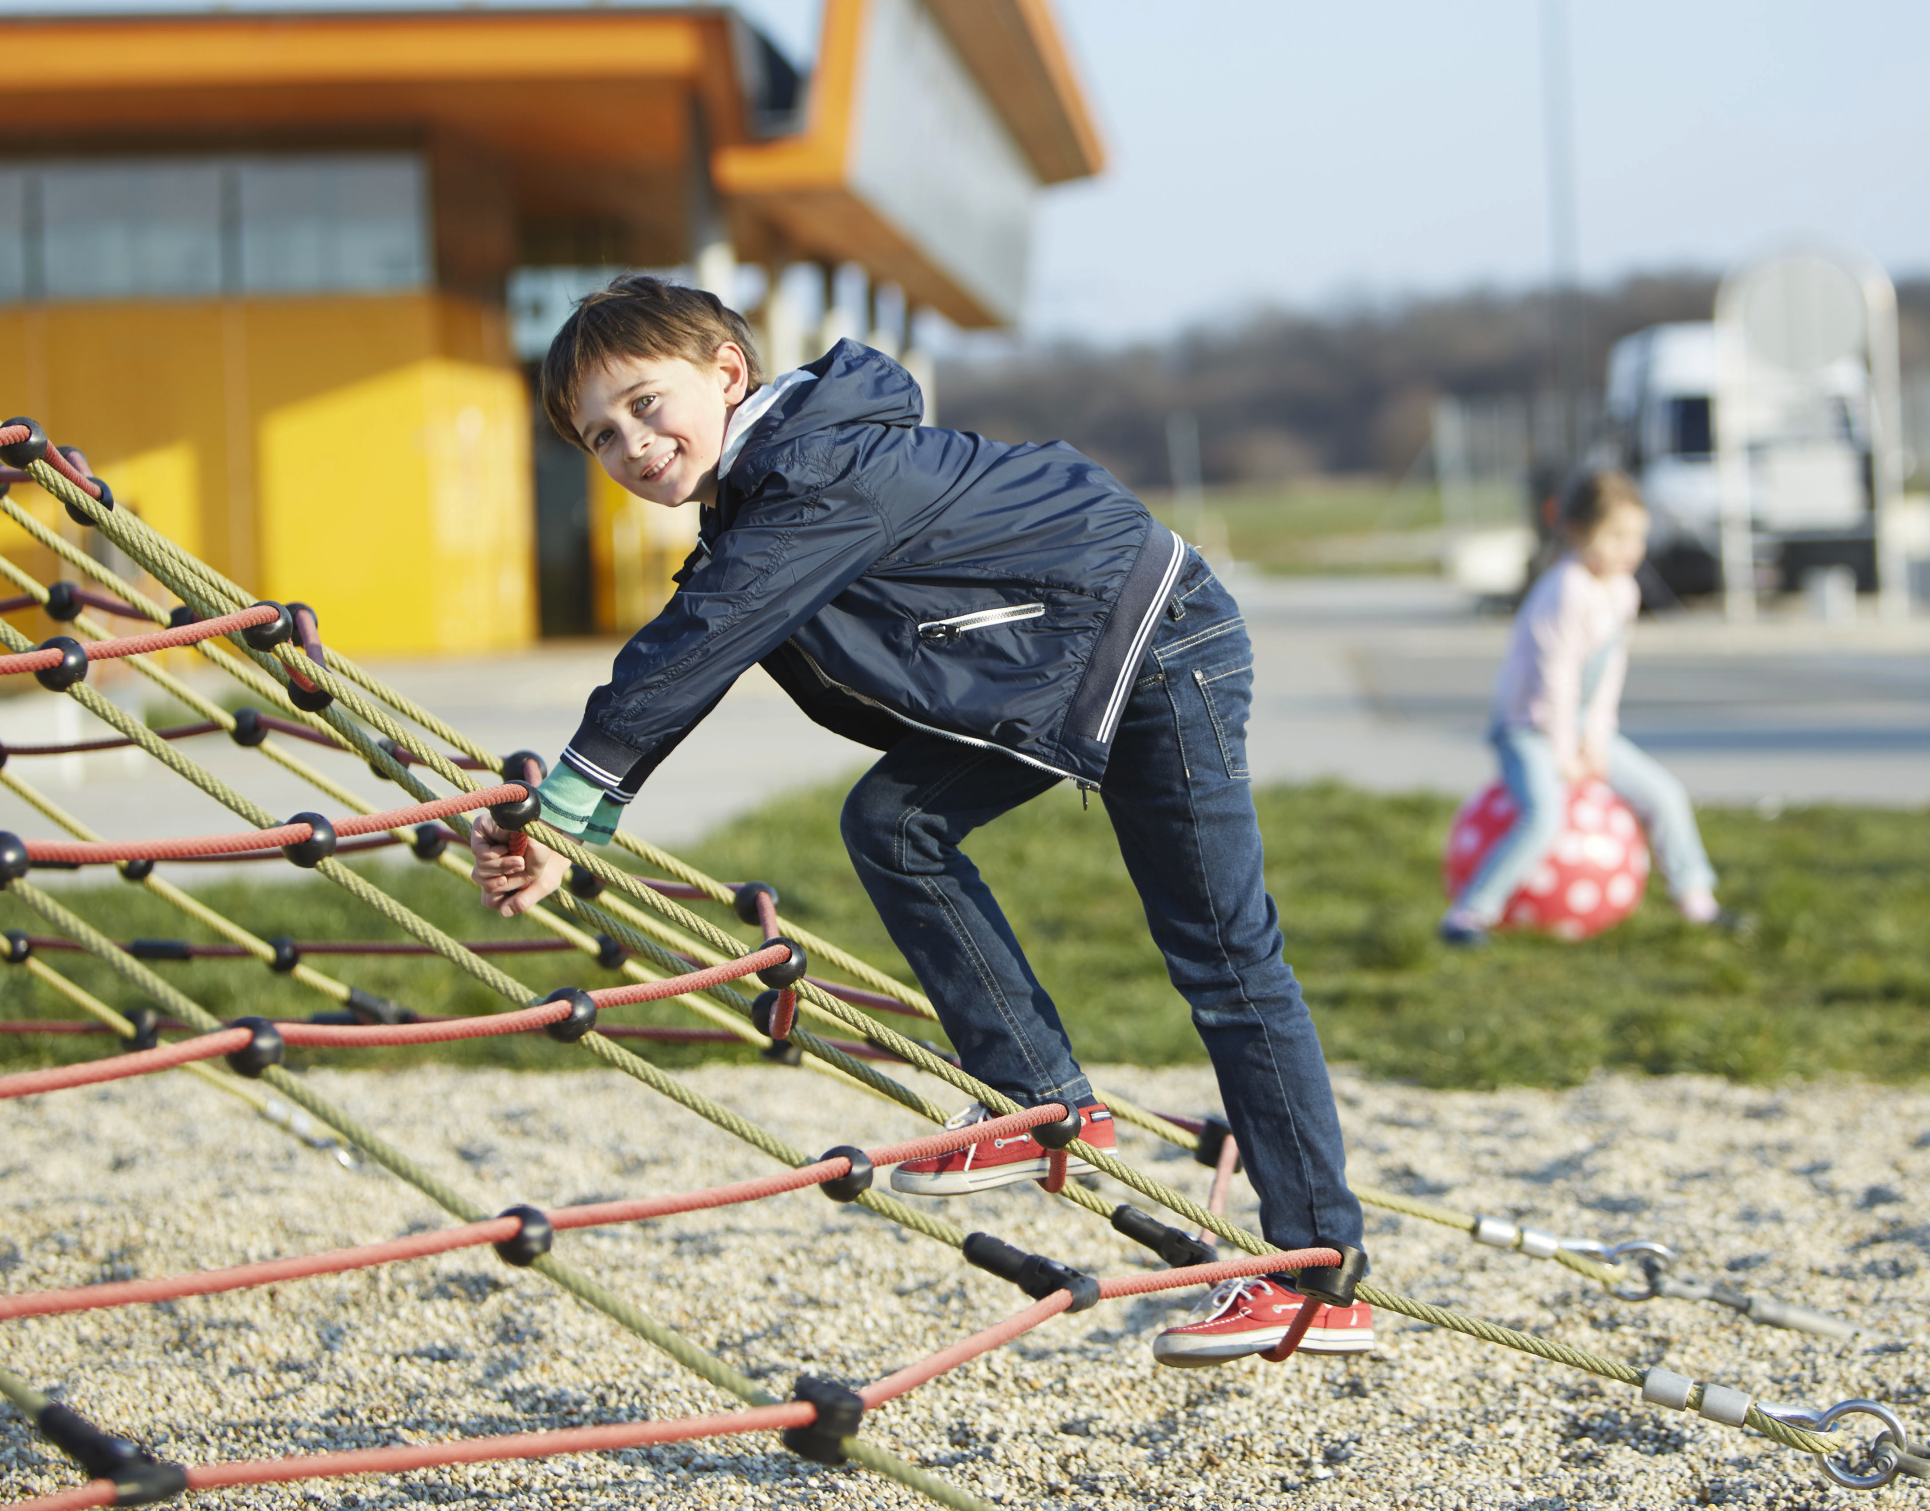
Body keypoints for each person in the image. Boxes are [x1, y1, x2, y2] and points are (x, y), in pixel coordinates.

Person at [469, 276, 1371, 1365]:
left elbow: (698, 640)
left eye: (646, 404)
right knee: (894, 821)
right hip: (1060, 655)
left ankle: (1318, 1275)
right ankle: (1037, 1098)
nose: (633, 445)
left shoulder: (819, 471)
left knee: (1222, 956)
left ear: (727, 372)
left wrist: (570, 809)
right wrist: (570, 822)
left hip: (1154, 642)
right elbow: (709, 629)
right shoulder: (766, 491)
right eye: (602, 437)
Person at [1440, 470, 1734, 943]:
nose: (1629, 548)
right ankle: (1469, 915)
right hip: (1527, 730)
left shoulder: (1623, 590)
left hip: (1580, 728)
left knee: (1666, 796)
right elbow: (1555, 680)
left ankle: (1696, 899)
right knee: (1543, 817)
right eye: (1615, 536)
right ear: (1577, 532)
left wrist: (1594, 740)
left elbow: (1608, 674)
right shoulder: (1565, 589)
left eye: (1637, 536)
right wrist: (1563, 755)